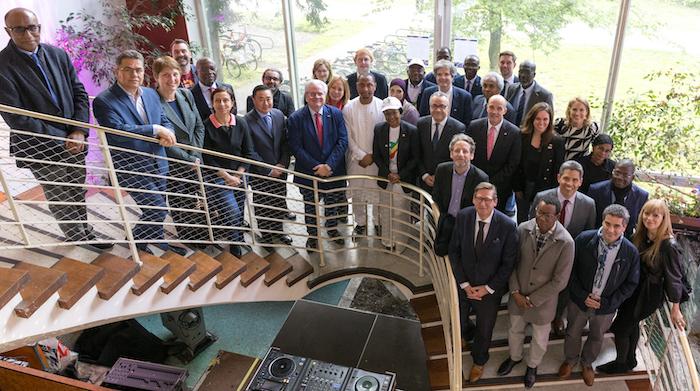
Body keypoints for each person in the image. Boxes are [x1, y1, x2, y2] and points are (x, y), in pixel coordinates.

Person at [0, 7, 111, 249]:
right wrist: (64, 138)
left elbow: (79, 93)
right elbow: (16, 117)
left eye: (32, 27)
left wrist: (79, 131)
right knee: (61, 194)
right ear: (8, 31)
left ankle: (86, 230)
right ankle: (78, 238)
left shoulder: (57, 54)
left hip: (75, 140)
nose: (28, 33)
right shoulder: (2, 66)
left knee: (76, 189)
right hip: (41, 146)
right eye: (20, 29)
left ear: (38, 27)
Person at [93, 50, 180, 254]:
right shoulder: (104, 101)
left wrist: (169, 133)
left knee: (156, 208)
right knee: (158, 209)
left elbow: (164, 120)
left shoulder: (150, 93)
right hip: (131, 167)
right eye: (128, 69)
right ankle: (135, 242)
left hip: (159, 162)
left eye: (138, 69)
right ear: (117, 71)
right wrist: (155, 130)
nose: (134, 74)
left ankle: (158, 240)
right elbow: (118, 132)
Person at [597, 199, 686, 374]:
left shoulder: (668, 245)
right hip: (633, 289)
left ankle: (621, 363)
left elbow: (674, 278)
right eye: (646, 213)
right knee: (632, 324)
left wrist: (676, 308)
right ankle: (630, 358)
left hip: (647, 295)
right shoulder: (641, 235)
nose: (649, 218)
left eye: (655, 215)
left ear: (663, 218)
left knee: (622, 327)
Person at [498, 195, 574, 389]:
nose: (542, 218)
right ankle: (514, 357)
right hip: (517, 295)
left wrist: (531, 299)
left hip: (543, 303)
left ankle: (532, 366)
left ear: (557, 216)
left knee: (540, 339)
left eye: (548, 215)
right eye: (539, 213)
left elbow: (560, 281)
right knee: (515, 330)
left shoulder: (566, 242)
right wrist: (515, 292)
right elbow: (511, 263)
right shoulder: (522, 228)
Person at [559, 204, 640, 387]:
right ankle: (570, 360)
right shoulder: (583, 240)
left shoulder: (630, 252)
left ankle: (587, 363)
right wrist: (581, 295)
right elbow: (569, 271)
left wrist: (609, 303)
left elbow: (631, 283)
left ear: (624, 227)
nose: (611, 230)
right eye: (607, 223)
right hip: (579, 301)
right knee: (572, 332)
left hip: (606, 307)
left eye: (617, 226)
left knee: (596, 336)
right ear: (602, 221)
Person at [448, 182, 518, 384]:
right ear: (473, 199)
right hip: (464, 285)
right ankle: (463, 334)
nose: (483, 203)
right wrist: (464, 284)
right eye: (479, 198)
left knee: (485, 329)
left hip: (489, 290)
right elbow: (454, 252)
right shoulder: (463, 217)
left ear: (495, 202)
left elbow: (508, 264)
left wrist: (487, 289)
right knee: (458, 317)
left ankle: (479, 361)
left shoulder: (507, 225)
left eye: (488, 199)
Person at [529, 160, 597, 336]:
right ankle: (532, 312)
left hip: (568, 258)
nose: (570, 184)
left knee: (563, 289)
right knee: (539, 284)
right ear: (559, 177)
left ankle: (557, 316)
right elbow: (530, 225)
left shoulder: (589, 204)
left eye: (575, 180)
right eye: (566, 178)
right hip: (542, 253)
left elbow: (588, 234)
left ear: (581, 181)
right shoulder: (542, 197)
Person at [288, 80, 348, 250]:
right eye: (312, 93)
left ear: (325, 94)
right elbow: (296, 147)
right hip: (309, 173)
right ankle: (312, 236)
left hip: (333, 171)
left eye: (320, 93)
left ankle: (332, 229)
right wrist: (317, 166)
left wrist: (328, 166)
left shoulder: (335, 114)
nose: (316, 97)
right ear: (306, 96)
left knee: (331, 203)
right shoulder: (296, 118)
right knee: (311, 207)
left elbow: (343, 141)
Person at [153, 55, 207, 244]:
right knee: (180, 203)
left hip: (195, 158)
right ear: (156, 78)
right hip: (174, 163)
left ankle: (203, 235)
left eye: (175, 74)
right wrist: (188, 159)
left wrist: (196, 154)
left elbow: (199, 126)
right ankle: (187, 237)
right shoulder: (153, 101)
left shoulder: (186, 94)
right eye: (166, 75)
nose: (172, 79)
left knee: (200, 198)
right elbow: (162, 139)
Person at [202, 88, 255, 257]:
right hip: (219, 177)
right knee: (233, 211)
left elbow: (249, 152)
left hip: (239, 176)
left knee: (239, 209)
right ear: (212, 103)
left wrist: (237, 176)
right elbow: (208, 158)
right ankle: (235, 242)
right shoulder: (206, 126)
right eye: (218, 100)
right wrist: (227, 176)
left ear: (232, 102)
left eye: (226, 100)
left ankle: (236, 237)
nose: (222, 104)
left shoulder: (241, 122)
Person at [245, 85, 292, 245]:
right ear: (253, 100)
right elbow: (249, 151)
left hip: (280, 170)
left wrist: (282, 164)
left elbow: (286, 143)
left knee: (279, 202)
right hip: (261, 174)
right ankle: (266, 236)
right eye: (261, 99)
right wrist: (268, 169)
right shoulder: (246, 121)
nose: (266, 103)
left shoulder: (279, 115)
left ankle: (279, 232)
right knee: (262, 205)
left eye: (269, 99)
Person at [372, 97, 419, 252]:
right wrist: (387, 173)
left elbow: (415, 157)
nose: (391, 117)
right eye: (387, 114)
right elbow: (377, 155)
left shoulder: (411, 131)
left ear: (400, 112)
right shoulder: (379, 129)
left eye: (394, 113)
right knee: (386, 210)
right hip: (386, 178)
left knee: (401, 211)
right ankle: (387, 241)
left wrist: (400, 175)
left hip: (403, 179)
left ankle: (400, 243)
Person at [432, 134, 488, 256]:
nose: (460, 154)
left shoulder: (481, 178)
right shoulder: (441, 170)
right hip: (446, 220)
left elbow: (480, 207)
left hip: (467, 224)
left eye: (465, 151)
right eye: (457, 150)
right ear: (451, 154)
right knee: (440, 252)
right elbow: (436, 195)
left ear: (472, 155)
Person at [343, 74, 384, 239]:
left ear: (374, 86)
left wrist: (373, 156)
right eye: (362, 85)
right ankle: (360, 223)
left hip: (376, 160)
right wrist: (360, 155)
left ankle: (378, 222)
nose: (365, 89)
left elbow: (383, 135)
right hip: (356, 160)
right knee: (358, 194)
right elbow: (347, 136)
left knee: (377, 193)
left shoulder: (382, 106)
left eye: (369, 85)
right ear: (357, 86)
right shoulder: (349, 107)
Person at [467, 95, 521, 213]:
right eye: (491, 107)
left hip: (500, 188)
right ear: (486, 108)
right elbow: (470, 155)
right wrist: (480, 179)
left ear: (505, 110)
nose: (495, 112)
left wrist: (492, 182)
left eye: (499, 108)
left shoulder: (514, 133)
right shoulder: (474, 127)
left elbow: (513, 163)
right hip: (475, 183)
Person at [513, 102, 565, 223]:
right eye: (538, 119)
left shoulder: (557, 141)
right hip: (523, 187)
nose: (541, 123)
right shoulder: (522, 136)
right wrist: (517, 188)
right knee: (522, 220)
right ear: (532, 119)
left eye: (545, 119)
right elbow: (515, 163)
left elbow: (558, 169)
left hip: (544, 189)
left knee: (539, 220)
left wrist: (551, 194)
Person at [416, 92, 466, 193]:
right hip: (423, 180)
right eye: (434, 106)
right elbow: (417, 153)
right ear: (429, 107)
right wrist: (424, 175)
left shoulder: (458, 128)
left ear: (448, 108)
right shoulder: (421, 124)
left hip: (446, 182)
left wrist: (439, 176)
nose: (438, 110)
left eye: (442, 106)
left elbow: (456, 157)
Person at [588, 159, 649, 239]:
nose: (620, 177)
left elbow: (640, 224)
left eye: (625, 175)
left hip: (626, 243)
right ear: (612, 172)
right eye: (617, 173)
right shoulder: (596, 190)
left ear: (632, 177)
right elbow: (589, 221)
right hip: (598, 238)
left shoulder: (641, 196)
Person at [418, 60, 473, 127]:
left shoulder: (465, 97)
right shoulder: (428, 93)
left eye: (446, 74)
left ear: (452, 77)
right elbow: (423, 117)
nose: (443, 77)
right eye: (439, 74)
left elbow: (467, 123)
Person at [505, 60, 553, 126]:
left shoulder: (544, 96)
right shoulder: (511, 89)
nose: (523, 75)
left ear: (534, 75)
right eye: (521, 72)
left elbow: (549, 121)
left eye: (527, 72)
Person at [191, 57, 235, 122]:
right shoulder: (191, 94)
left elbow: (233, 111)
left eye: (212, 68)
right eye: (204, 70)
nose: (209, 72)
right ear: (196, 73)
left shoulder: (228, 88)